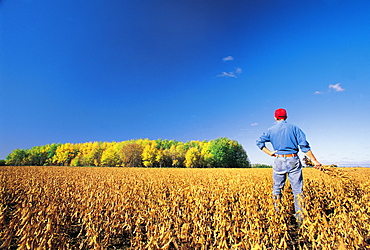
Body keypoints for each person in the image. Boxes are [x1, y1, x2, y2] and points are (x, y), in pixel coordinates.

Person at [256, 108, 321, 223]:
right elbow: (304, 146)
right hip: (293, 159)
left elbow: (259, 142)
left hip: (279, 160)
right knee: (297, 191)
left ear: (275, 117)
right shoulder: (294, 128)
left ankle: (277, 217)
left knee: (277, 188)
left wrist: (270, 152)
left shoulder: (270, 130)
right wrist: (314, 161)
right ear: (286, 117)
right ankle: (300, 220)